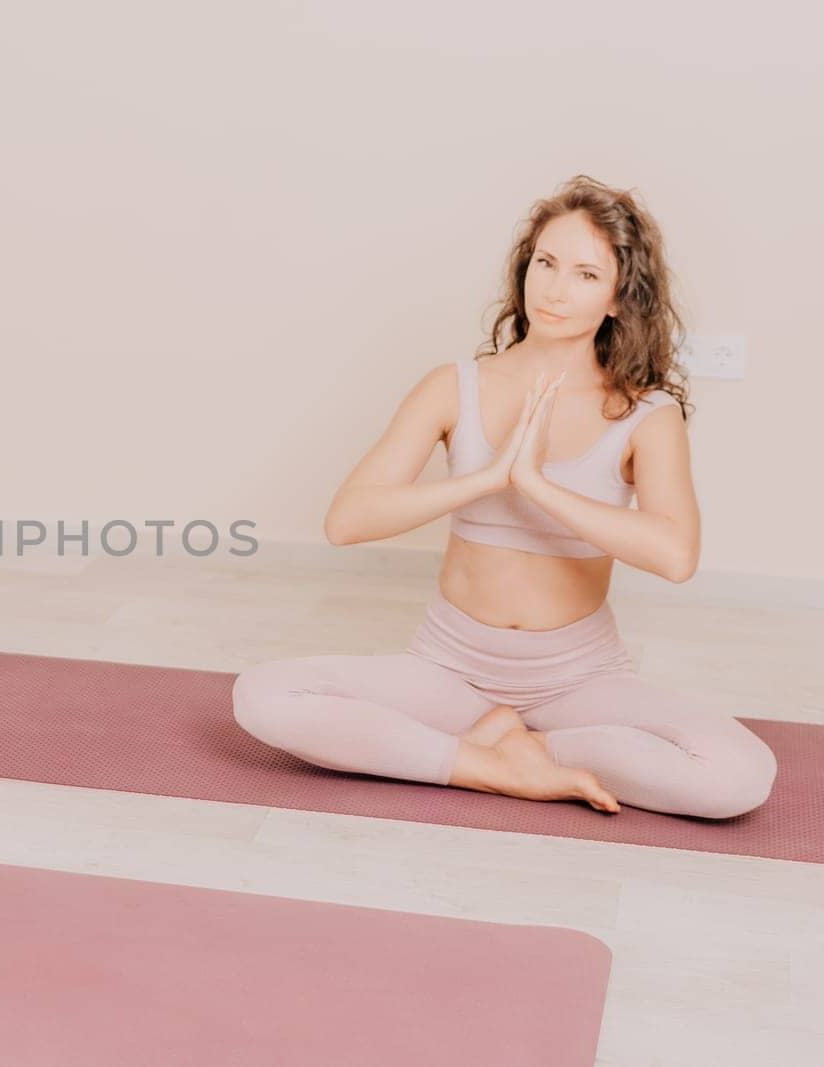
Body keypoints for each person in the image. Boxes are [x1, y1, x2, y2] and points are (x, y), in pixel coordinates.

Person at [232, 175, 777, 820]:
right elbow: (346, 521)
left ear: (618, 299)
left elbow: (675, 554)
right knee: (262, 695)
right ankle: (486, 766)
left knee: (739, 775)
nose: (554, 288)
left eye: (583, 273)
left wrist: (538, 486)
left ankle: (523, 747)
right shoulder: (452, 386)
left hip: (579, 679)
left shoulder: (644, 413)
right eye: (545, 262)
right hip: (448, 668)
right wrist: (487, 478)